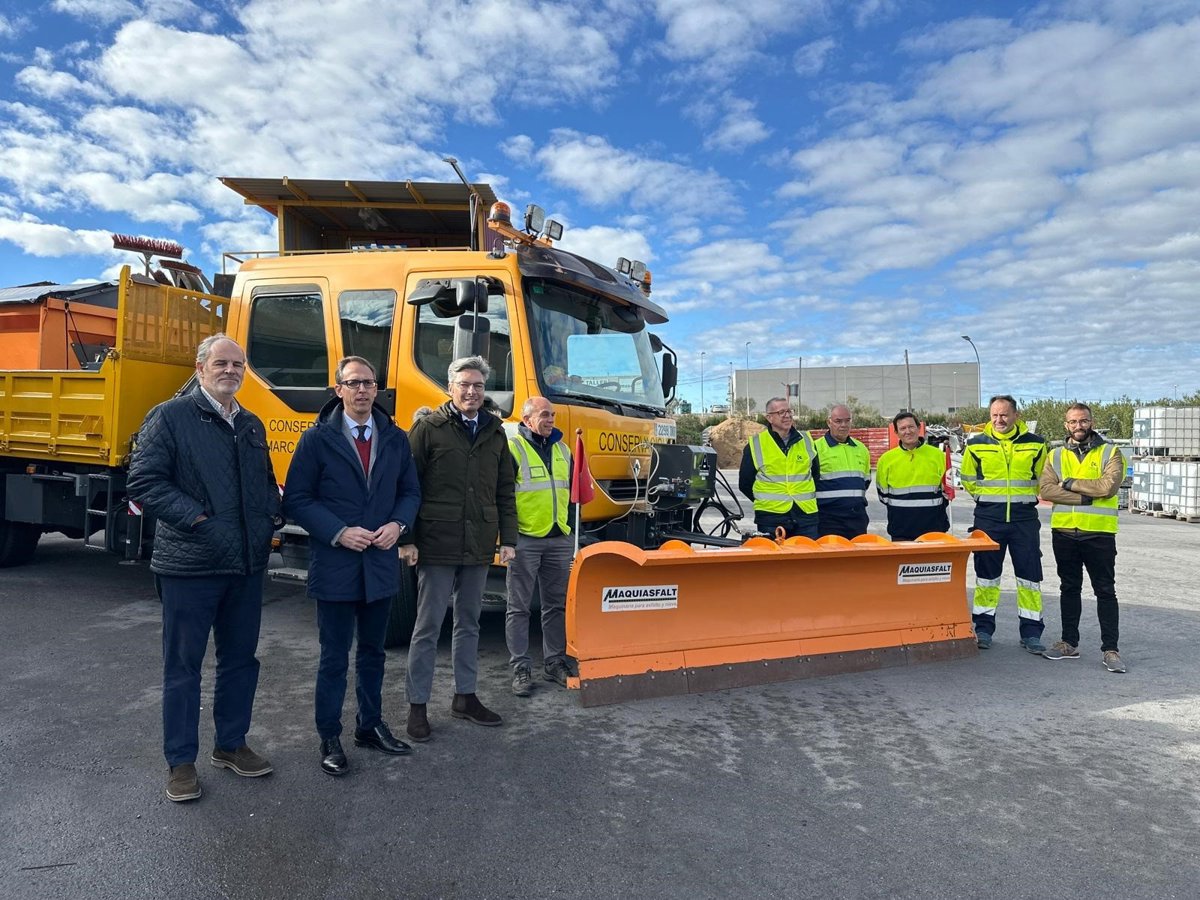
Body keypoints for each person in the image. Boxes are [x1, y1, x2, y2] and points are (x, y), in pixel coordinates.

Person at [127, 333, 281, 803]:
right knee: (183, 668)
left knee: (240, 661)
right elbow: (144, 482)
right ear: (200, 368)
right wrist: (199, 521)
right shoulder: (170, 416)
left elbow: (265, 483)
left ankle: (231, 745)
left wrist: (270, 517)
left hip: (245, 567)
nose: (231, 371)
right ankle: (180, 763)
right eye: (221, 363)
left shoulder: (250, 423)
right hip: (190, 566)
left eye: (238, 364)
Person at [283, 356, 422, 776]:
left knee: (374, 653)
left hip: (379, 564)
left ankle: (369, 725)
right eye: (353, 383)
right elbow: (298, 498)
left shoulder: (394, 438)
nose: (362, 390)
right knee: (334, 657)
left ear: (377, 390)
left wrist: (398, 525)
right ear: (338, 389)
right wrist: (339, 532)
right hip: (336, 564)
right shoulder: (316, 440)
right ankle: (329, 736)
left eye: (369, 383)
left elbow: (410, 492)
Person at [403, 356, 518, 741]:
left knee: (469, 623)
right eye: (464, 385)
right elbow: (408, 486)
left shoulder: (495, 433)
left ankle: (465, 698)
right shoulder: (428, 429)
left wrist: (509, 540)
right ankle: (417, 706)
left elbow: (505, 490)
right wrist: (407, 538)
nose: (471, 392)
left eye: (478, 386)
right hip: (436, 542)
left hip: (479, 542)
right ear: (450, 388)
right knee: (427, 626)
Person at [1038, 403, 1127, 673]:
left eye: (1084, 421)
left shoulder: (1110, 452)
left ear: (1092, 422)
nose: (1079, 426)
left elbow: (1108, 487)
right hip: (1065, 533)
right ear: (1066, 425)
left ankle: (1110, 649)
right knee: (1069, 588)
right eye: (1074, 422)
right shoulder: (1054, 455)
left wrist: (1068, 483)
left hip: (1099, 534)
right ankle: (1069, 643)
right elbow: (1046, 490)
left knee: (1105, 591)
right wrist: (1085, 497)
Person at [960, 395, 1048, 653]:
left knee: (1029, 577)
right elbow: (968, 478)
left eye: (1004, 415)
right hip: (988, 519)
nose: (999, 420)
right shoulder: (975, 444)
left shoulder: (1036, 444)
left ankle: (1031, 633)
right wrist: (986, 500)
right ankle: (983, 630)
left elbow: (1043, 478)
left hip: (1024, 519)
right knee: (986, 577)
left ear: (1016, 416)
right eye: (994, 415)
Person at [505, 397, 574, 696]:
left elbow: (573, 494)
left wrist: (570, 531)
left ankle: (554, 662)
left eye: (553, 415)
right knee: (518, 607)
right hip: (525, 538)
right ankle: (520, 667)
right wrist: (507, 539)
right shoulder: (513, 448)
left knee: (556, 605)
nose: (551, 420)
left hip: (559, 539)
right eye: (545, 415)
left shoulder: (564, 450)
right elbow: (503, 496)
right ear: (527, 419)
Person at [739, 397, 819, 538]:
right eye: (781, 412)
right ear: (769, 418)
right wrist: (766, 501)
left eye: (789, 411)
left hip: (805, 517)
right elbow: (745, 483)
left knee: (806, 553)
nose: (787, 415)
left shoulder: (806, 440)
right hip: (771, 518)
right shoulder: (756, 444)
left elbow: (815, 475)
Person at [875, 411, 950, 541]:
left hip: (935, 531)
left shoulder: (938, 456)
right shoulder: (886, 460)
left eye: (911, 427)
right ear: (896, 432)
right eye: (903, 428)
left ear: (919, 428)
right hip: (901, 532)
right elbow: (883, 496)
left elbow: (947, 492)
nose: (908, 431)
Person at [814, 404, 871, 538]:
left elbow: (866, 482)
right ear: (829, 422)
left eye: (847, 420)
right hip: (827, 520)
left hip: (857, 519)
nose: (843, 425)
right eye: (838, 421)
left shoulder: (861, 449)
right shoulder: (815, 448)